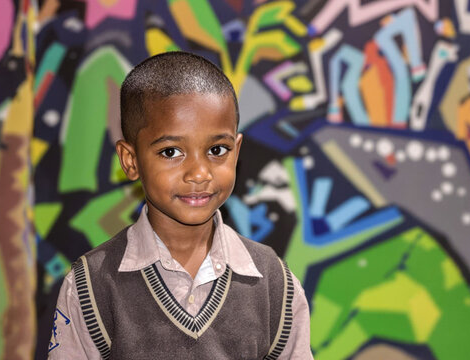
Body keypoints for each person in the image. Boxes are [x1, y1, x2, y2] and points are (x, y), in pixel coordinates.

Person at [48, 51, 313, 359]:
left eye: (217, 149)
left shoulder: (274, 283)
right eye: (171, 152)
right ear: (130, 160)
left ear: (237, 152)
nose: (199, 173)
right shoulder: (90, 286)